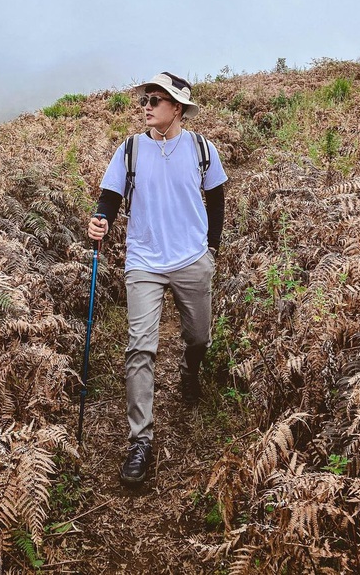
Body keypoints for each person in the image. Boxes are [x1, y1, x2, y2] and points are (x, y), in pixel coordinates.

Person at [88, 71, 228, 485]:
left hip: (191, 258)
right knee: (140, 348)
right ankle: (140, 442)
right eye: (145, 98)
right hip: (144, 260)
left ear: (177, 108)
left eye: (156, 99)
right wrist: (100, 220)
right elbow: (109, 198)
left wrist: (211, 249)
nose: (146, 105)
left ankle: (190, 372)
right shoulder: (130, 149)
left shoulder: (202, 148)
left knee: (199, 337)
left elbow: (216, 197)